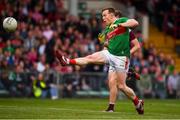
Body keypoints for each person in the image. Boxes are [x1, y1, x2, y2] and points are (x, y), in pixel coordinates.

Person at [55, 7, 144, 114]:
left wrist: (121, 25)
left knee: (122, 86)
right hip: (110, 54)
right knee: (90, 58)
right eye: (102, 16)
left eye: (105, 15)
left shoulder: (121, 21)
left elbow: (135, 22)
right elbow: (108, 44)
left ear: (112, 15)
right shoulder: (108, 29)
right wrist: (104, 43)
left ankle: (137, 103)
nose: (103, 18)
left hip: (121, 58)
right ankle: (67, 61)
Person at [104, 10, 141, 112]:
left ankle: (112, 107)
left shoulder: (127, 30)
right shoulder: (110, 30)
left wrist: (126, 54)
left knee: (119, 85)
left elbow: (137, 46)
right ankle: (112, 107)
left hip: (122, 58)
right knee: (112, 83)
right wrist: (105, 45)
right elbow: (108, 45)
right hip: (113, 57)